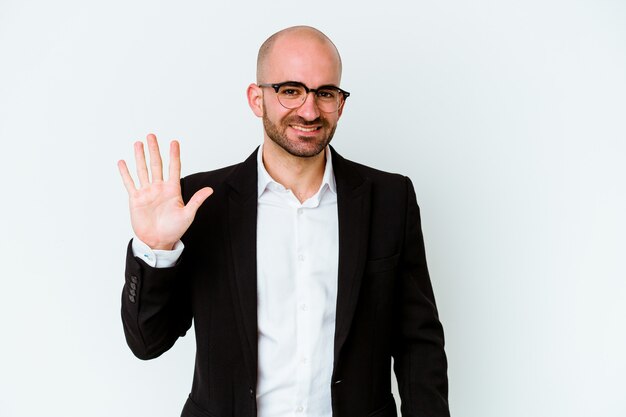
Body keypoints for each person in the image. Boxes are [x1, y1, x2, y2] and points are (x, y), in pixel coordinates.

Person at [118, 26, 449, 417]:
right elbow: (147, 343)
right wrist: (157, 252)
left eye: (325, 93)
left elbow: (418, 343)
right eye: (290, 90)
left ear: (340, 104)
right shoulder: (200, 202)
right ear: (256, 99)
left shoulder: (391, 199)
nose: (309, 111)